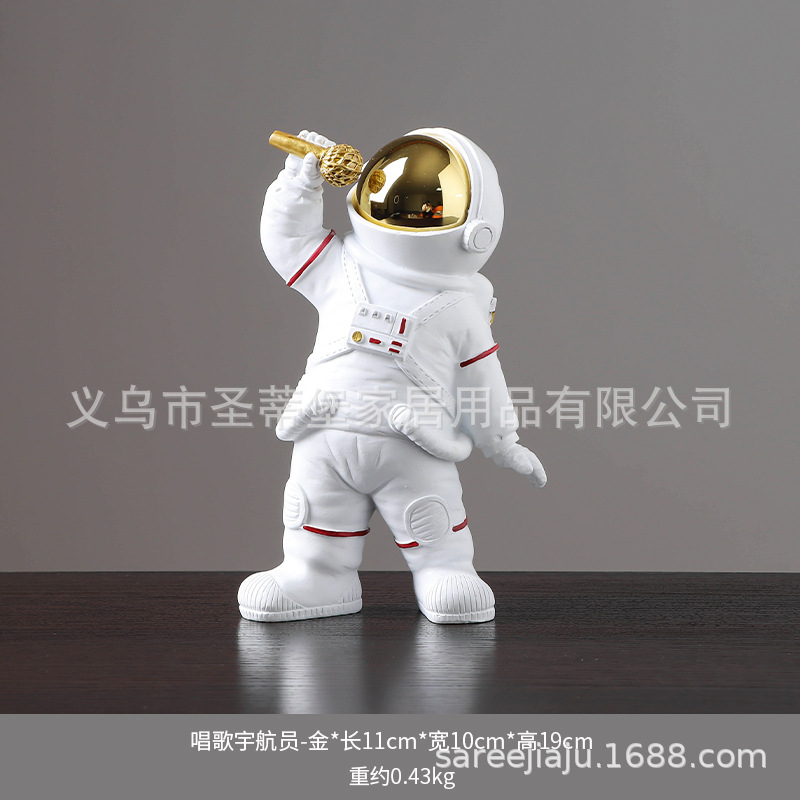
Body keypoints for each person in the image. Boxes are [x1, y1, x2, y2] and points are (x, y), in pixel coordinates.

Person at [238, 128, 546, 624]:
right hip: (323, 428)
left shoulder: (460, 307)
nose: (408, 209)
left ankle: (445, 570)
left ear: (476, 231)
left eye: (427, 205)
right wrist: (300, 184)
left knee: (430, 519)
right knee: (312, 512)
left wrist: (502, 442)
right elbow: (288, 242)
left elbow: (482, 383)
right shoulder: (341, 267)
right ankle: (316, 574)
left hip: (414, 439)